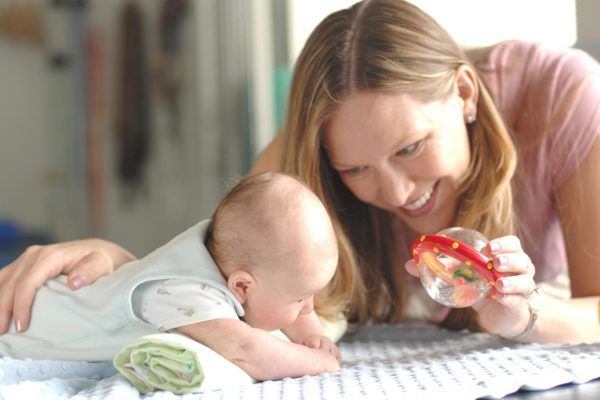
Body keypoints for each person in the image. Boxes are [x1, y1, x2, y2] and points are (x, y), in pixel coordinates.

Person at [1, 0, 599, 343]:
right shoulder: (312, 143)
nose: (395, 195)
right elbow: (218, 280)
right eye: (355, 169)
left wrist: (525, 315)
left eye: (411, 148)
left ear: (465, 93)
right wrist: (118, 267)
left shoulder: (562, 95)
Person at [0, 172, 341, 381]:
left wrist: (311, 337)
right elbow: (247, 350)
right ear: (242, 287)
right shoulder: (187, 291)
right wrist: (317, 361)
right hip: (27, 324)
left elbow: (303, 314)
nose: (309, 307)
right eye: (299, 299)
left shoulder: (225, 251)